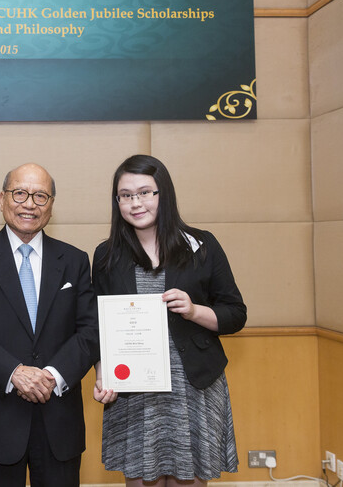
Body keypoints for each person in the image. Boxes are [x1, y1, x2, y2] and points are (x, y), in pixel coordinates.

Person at [92, 154, 247, 487]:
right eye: (126, 195)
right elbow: (99, 326)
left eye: (146, 192)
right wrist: (102, 374)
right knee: (140, 480)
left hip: (193, 386)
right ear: (116, 201)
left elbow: (235, 314)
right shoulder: (106, 255)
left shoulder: (201, 245)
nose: (136, 203)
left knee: (187, 481)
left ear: (164, 194)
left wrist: (193, 311)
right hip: (134, 389)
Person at [0, 163, 99, 487]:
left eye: (40, 196)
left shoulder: (74, 260)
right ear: (2, 199)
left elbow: (89, 331)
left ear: (52, 205)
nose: (29, 204)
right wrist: (14, 372)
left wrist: (52, 376)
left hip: (59, 417)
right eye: (20, 193)